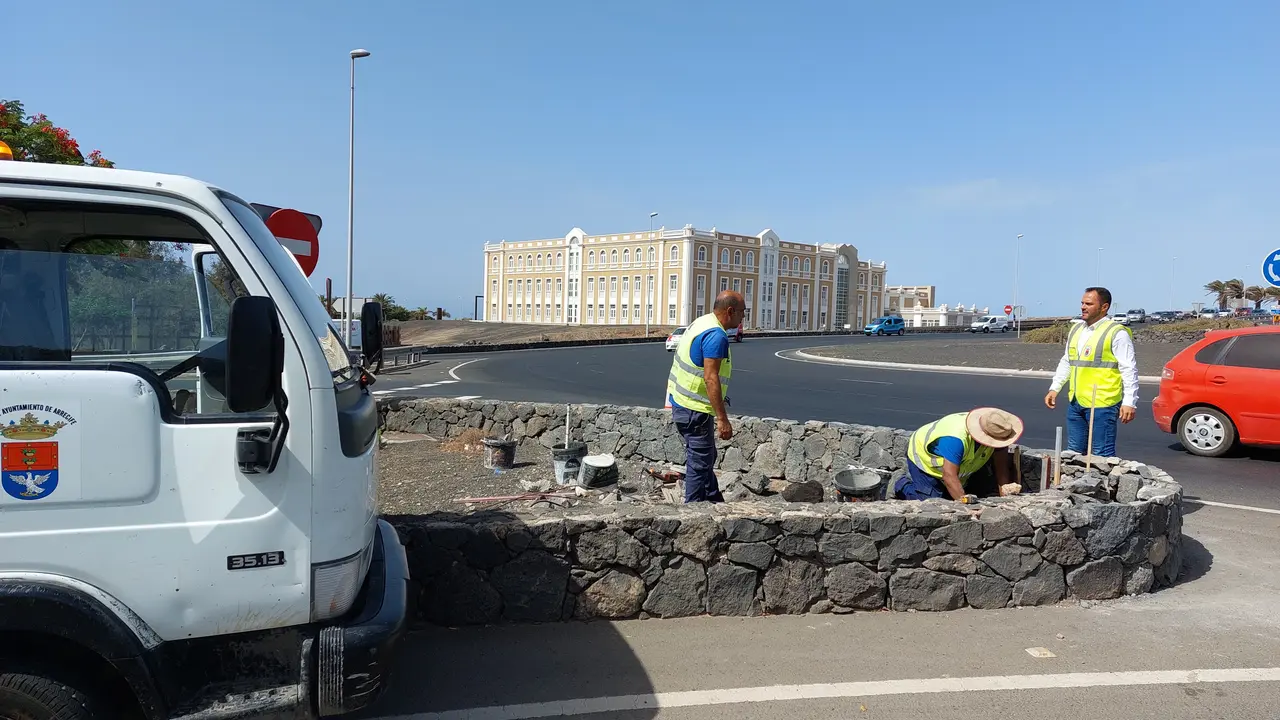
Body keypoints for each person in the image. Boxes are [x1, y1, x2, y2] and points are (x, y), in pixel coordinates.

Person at [665, 290, 746, 503]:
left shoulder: (702, 322)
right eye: (742, 312)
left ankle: (713, 499)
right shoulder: (716, 336)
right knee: (700, 462)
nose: (743, 317)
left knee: (706, 456)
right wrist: (722, 419)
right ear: (730, 311)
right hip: (695, 410)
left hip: (682, 403)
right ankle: (693, 509)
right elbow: (711, 378)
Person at [1044, 287, 1138, 457]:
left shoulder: (1116, 333)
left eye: (1089, 304)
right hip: (1076, 401)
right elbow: (1067, 360)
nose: (1083, 307)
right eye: (1082, 303)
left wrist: (1129, 402)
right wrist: (1055, 387)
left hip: (1103, 403)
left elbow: (1129, 369)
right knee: (1073, 454)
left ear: (1104, 307)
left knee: (1102, 456)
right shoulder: (1076, 330)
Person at [889, 407, 1024, 501]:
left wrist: (1005, 497)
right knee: (933, 503)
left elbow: (1001, 468)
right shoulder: (955, 440)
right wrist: (965, 508)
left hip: (959, 466)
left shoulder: (998, 432)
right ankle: (901, 485)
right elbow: (949, 475)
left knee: (968, 493)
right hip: (924, 459)